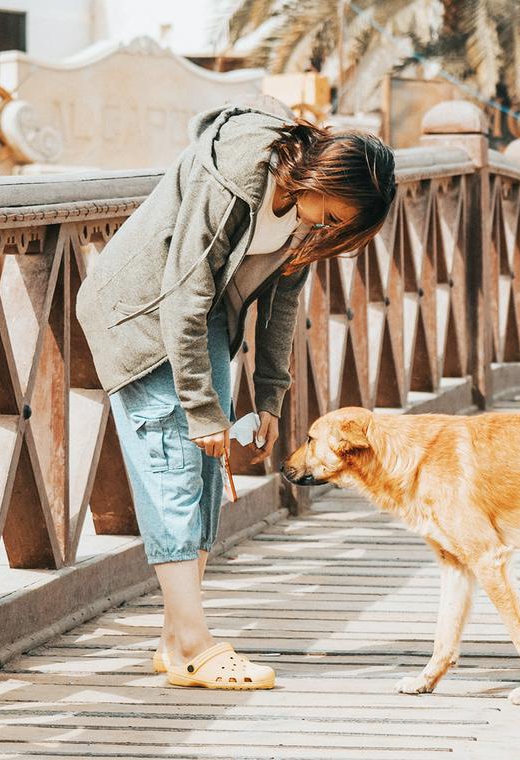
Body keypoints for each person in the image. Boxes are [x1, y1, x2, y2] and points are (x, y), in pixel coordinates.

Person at [75, 103, 396, 690]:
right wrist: (201, 408)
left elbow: (281, 305)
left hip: (204, 323)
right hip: (145, 316)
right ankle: (196, 646)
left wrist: (270, 396)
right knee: (174, 466)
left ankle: (176, 642)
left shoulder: (309, 212)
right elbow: (184, 289)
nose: (326, 226)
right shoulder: (236, 173)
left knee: (204, 470)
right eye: (332, 213)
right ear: (321, 178)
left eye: (338, 225)